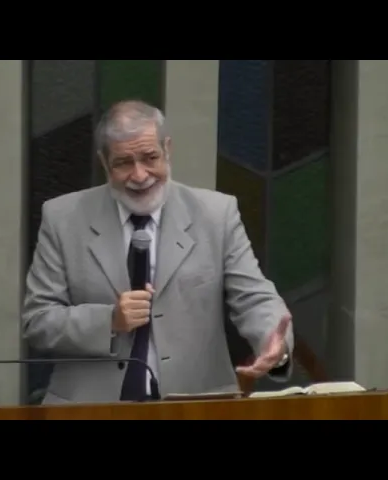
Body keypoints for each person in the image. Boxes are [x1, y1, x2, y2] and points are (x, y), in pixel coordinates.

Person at [22, 100, 293, 404]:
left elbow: (253, 297)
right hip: (90, 407)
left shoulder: (216, 214)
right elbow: (38, 321)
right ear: (104, 162)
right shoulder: (63, 218)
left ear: (167, 149)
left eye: (150, 158)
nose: (140, 175)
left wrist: (274, 343)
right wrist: (109, 319)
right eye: (123, 163)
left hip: (194, 404)